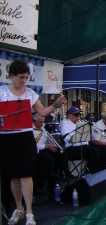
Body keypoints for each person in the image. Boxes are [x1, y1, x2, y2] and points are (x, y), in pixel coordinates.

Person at [0, 60, 66, 225]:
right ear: (12, 76)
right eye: (21, 77)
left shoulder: (29, 93)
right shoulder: (1, 92)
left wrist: (55, 105)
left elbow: (42, 111)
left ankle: (29, 211)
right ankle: (19, 209)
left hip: (24, 136)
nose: (23, 80)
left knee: (26, 174)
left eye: (26, 77)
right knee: (14, 176)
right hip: (7, 137)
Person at [32, 113, 64, 199]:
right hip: (35, 152)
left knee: (60, 152)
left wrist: (51, 143)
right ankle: (50, 185)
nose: (42, 124)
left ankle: (60, 175)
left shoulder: (42, 128)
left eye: (43, 122)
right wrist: (46, 146)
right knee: (48, 159)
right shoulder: (30, 130)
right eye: (40, 122)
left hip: (44, 148)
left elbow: (47, 138)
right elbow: (31, 145)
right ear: (34, 121)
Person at [60, 106, 100, 174]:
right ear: (69, 115)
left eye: (79, 114)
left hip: (83, 146)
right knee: (94, 151)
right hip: (72, 148)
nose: (78, 116)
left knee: (98, 150)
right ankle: (92, 173)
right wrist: (79, 135)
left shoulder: (80, 122)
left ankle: (95, 171)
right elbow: (68, 139)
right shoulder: (65, 124)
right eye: (76, 114)